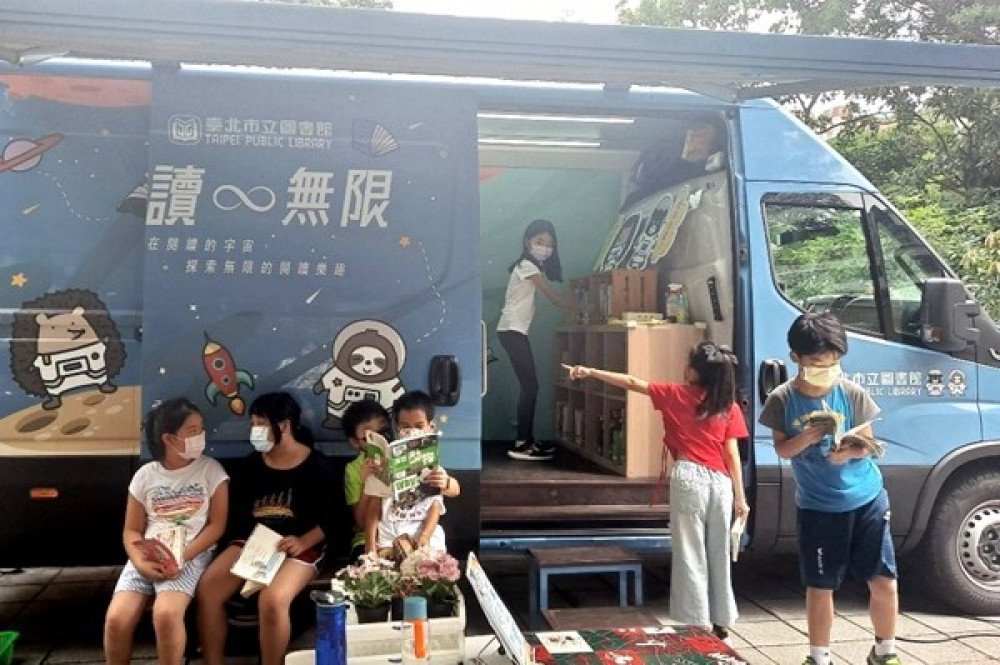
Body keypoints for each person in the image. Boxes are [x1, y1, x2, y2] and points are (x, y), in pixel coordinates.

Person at [568, 341, 749, 643]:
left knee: (690, 553)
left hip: (689, 478)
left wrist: (590, 371)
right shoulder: (727, 406)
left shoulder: (674, 394)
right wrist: (741, 499)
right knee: (718, 553)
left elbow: (631, 382)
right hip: (722, 483)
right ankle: (721, 625)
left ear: (695, 372)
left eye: (689, 364)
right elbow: (731, 454)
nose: (684, 368)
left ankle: (696, 625)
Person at [758, 312, 900, 665]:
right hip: (818, 507)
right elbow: (782, 449)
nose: (827, 369)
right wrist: (807, 437)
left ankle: (885, 651)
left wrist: (848, 452)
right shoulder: (782, 399)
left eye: (833, 362)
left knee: (883, 579)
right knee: (820, 585)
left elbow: (868, 445)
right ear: (796, 358)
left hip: (867, 498)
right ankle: (819, 657)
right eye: (818, 363)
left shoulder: (851, 393)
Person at [197, 392, 339, 665]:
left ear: (284, 425)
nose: (255, 431)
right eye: (253, 424)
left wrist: (302, 541)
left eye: (261, 424)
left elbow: (334, 519)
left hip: (302, 547)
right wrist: (252, 544)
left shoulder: (318, 468)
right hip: (255, 544)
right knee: (209, 588)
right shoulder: (251, 466)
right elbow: (238, 518)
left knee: (272, 600)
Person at [104, 398, 229, 665]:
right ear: (169, 439)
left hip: (190, 557)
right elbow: (131, 530)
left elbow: (217, 525)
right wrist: (140, 562)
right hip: (147, 557)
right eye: (192, 431)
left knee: (166, 615)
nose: (201, 436)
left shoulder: (211, 471)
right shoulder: (145, 476)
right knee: (116, 619)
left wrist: (182, 556)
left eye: (201, 429)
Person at [497, 218, 573, 461]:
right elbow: (554, 297)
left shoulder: (529, 267)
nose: (545, 248)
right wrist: (584, 305)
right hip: (512, 330)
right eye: (540, 241)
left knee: (530, 386)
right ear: (527, 242)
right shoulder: (527, 266)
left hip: (514, 331)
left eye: (549, 244)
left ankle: (526, 440)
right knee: (530, 386)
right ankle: (522, 444)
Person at [363, 390, 461, 554]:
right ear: (397, 428)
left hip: (426, 539)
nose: (412, 432)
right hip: (389, 539)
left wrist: (446, 483)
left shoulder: (431, 464)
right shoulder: (384, 464)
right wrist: (370, 546)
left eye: (419, 426)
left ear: (431, 427)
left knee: (433, 563)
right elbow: (373, 508)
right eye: (405, 427)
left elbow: (454, 491)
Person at [341, 399, 393, 559]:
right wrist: (367, 483)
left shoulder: (404, 456)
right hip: (367, 539)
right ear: (355, 442)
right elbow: (361, 523)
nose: (379, 439)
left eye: (383, 431)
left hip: (402, 532)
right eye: (369, 437)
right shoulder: (353, 470)